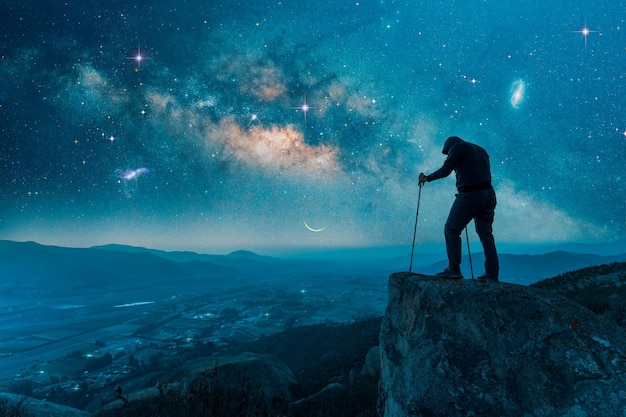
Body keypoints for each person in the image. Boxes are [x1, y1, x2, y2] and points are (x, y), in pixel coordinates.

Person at [418, 136, 499, 282]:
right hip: (489, 193)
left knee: (451, 229)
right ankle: (492, 274)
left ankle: (453, 269)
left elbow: (445, 171)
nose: (448, 154)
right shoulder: (481, 149)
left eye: (447, 152)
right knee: (486, 234)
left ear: (450, 146)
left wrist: (427, 178)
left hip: (471, 194)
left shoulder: (458, 147)